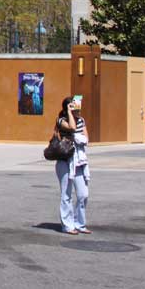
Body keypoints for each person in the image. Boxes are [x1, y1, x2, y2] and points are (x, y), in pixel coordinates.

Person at [55, 96, 91, 235]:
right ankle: (68, 225)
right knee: (66, 195)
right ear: (66, 108)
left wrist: (79, 137)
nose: (77, 109)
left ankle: (80, 223)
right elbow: (72, 128)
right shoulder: (61, 120)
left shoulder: (82, 120)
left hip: (80, 161)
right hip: (65, 162)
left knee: (83, 194)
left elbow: (86, 139)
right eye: (73, 106)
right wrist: (70, 113)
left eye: (77, 106)